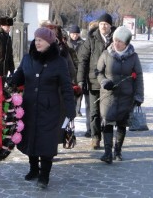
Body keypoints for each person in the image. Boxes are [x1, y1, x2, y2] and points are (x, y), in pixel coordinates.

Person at [9, 27, 76, 189]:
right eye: (36, 39)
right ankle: (33, 169)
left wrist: (70, 109)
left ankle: (44, 175)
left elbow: (66, 87)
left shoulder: (59, 62)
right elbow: (18, 77)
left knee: (46, 142)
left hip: (50, 108)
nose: (37, 42)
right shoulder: (27, 59)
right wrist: (5, 82)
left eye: (40, 40)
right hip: (29, 107)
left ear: (49, 42)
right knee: (30, 137)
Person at [96, 26, 144, 164]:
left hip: (126, 96)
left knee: (122, 123)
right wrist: (104, 81)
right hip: (108, 95)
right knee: (107, 121)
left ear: (127, 43)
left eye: (120, 42)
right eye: (115, 40)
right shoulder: (106, 54)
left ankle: (117, 151)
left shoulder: (134, 57)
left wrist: (139, 95)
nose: (116, 43)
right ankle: (107, 153)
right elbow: (98, 72)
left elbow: (139, 76)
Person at [77, 13, 116, 149]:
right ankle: (95, 137)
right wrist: (80, 80)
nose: (103, 27)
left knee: (107, 113)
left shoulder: (116, 39)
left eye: (106, 24)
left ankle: (107, 140)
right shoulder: (91, 39)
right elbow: (83, 60)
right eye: (101, 24)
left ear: (110, 26)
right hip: (93, 81)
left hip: (111, 83)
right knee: (94, 112)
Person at [67, 25, 92, 138]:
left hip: (81, 72)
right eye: (73, 33)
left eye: (76, 33)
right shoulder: (66, 44)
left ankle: (77, 110)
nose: (74, 35)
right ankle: (74, 111)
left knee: (80, 93)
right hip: (70, 73)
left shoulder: (83, 44)